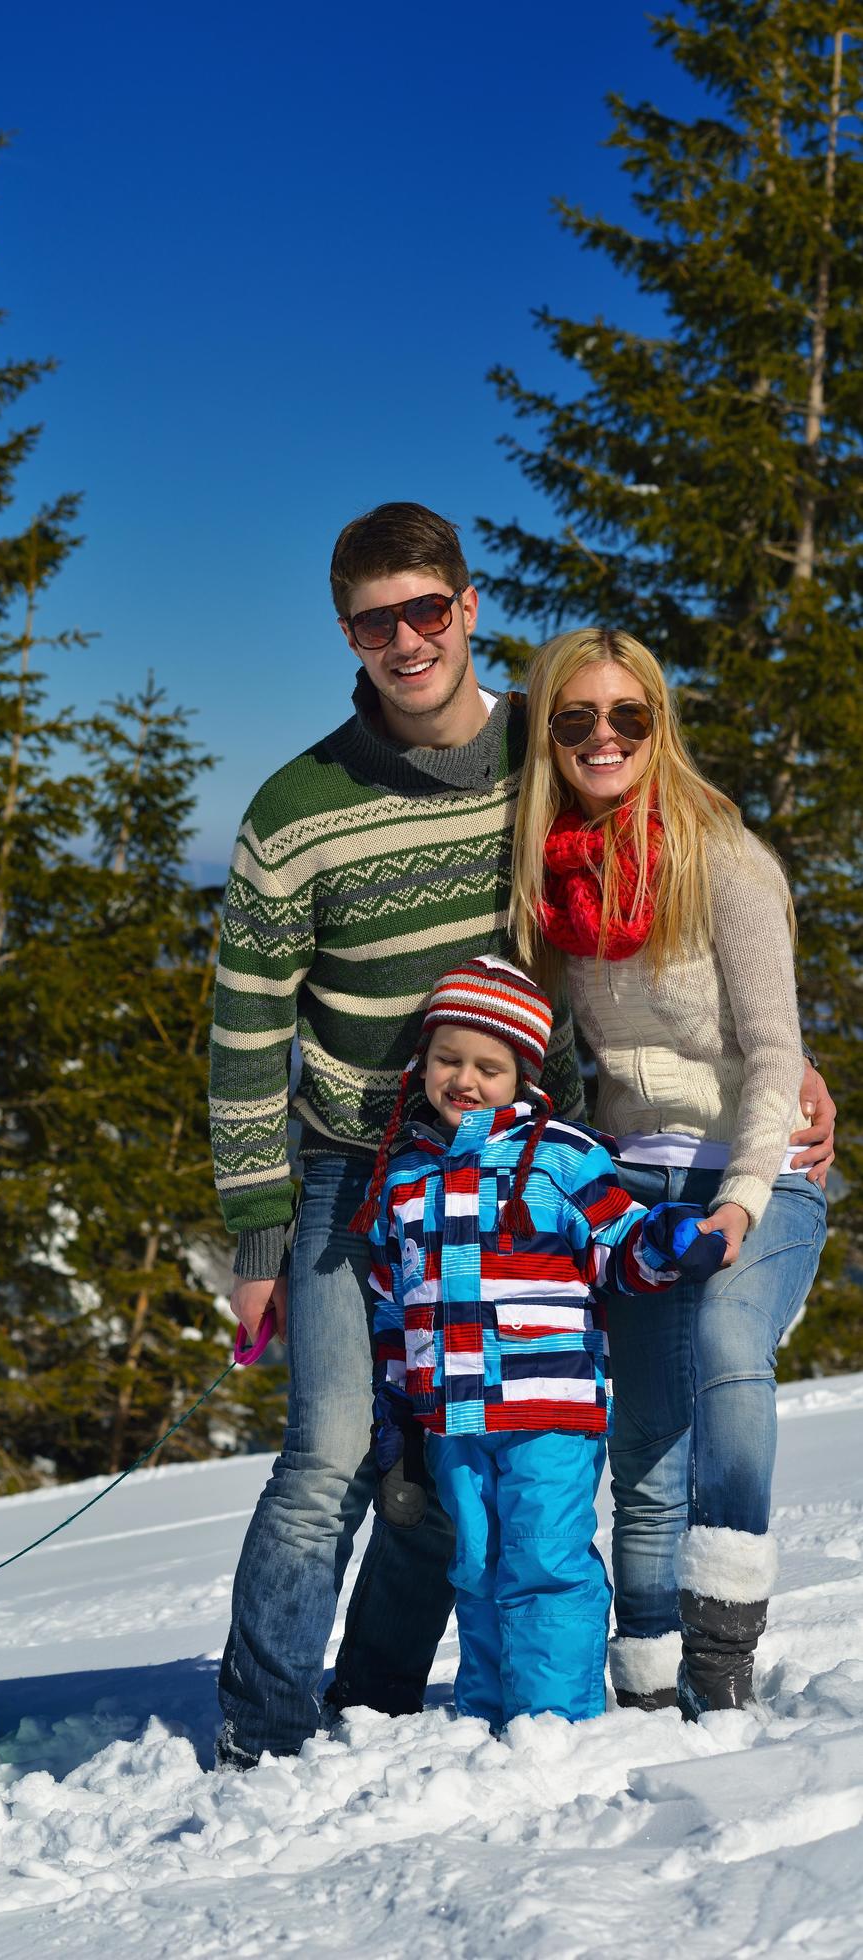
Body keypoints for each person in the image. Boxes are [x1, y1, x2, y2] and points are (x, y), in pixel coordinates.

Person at [209, 504, 834, 1767]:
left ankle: (392, 1692)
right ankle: (266, 1728)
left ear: (468, 606)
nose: (405, 640)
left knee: (476, 1439)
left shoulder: (540, 751)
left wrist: (792, 1074)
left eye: (425, 611)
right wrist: (257, 1227)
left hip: (520, 1170)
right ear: (348, 632)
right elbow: (241, 1027)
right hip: (354, 1166)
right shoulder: (297, 807)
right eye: (376, 621)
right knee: (339, 1445)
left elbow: (671, 921)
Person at [509, 627, 829, 1718]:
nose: (605, 737)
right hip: (633, 1182)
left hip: (761, 1166)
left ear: (659, 725)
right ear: (549, 736)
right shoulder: (548, 881)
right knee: (643, 1429)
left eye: (628, 717)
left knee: (729, 1343)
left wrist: (744, 1196)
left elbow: (776, 1052)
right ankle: (644, 1667)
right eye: (577, 719)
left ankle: (723, 1644)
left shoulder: (723, 857)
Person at [356, 954, 723, 1728]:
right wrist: (395, 1405)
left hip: (546, 1411)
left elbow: (616, 1243)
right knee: (477, 1564)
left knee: (546, 1561)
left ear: (521, 1073)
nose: (464, 1079)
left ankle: (555, 1720)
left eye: (488, 1066)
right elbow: (393, 1305)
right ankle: (494, 1714)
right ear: (423, 1062)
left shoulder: (559, 1155)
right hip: (452, 1419)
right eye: (448, 1058)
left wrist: (667, 1240)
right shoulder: (402, 1180)